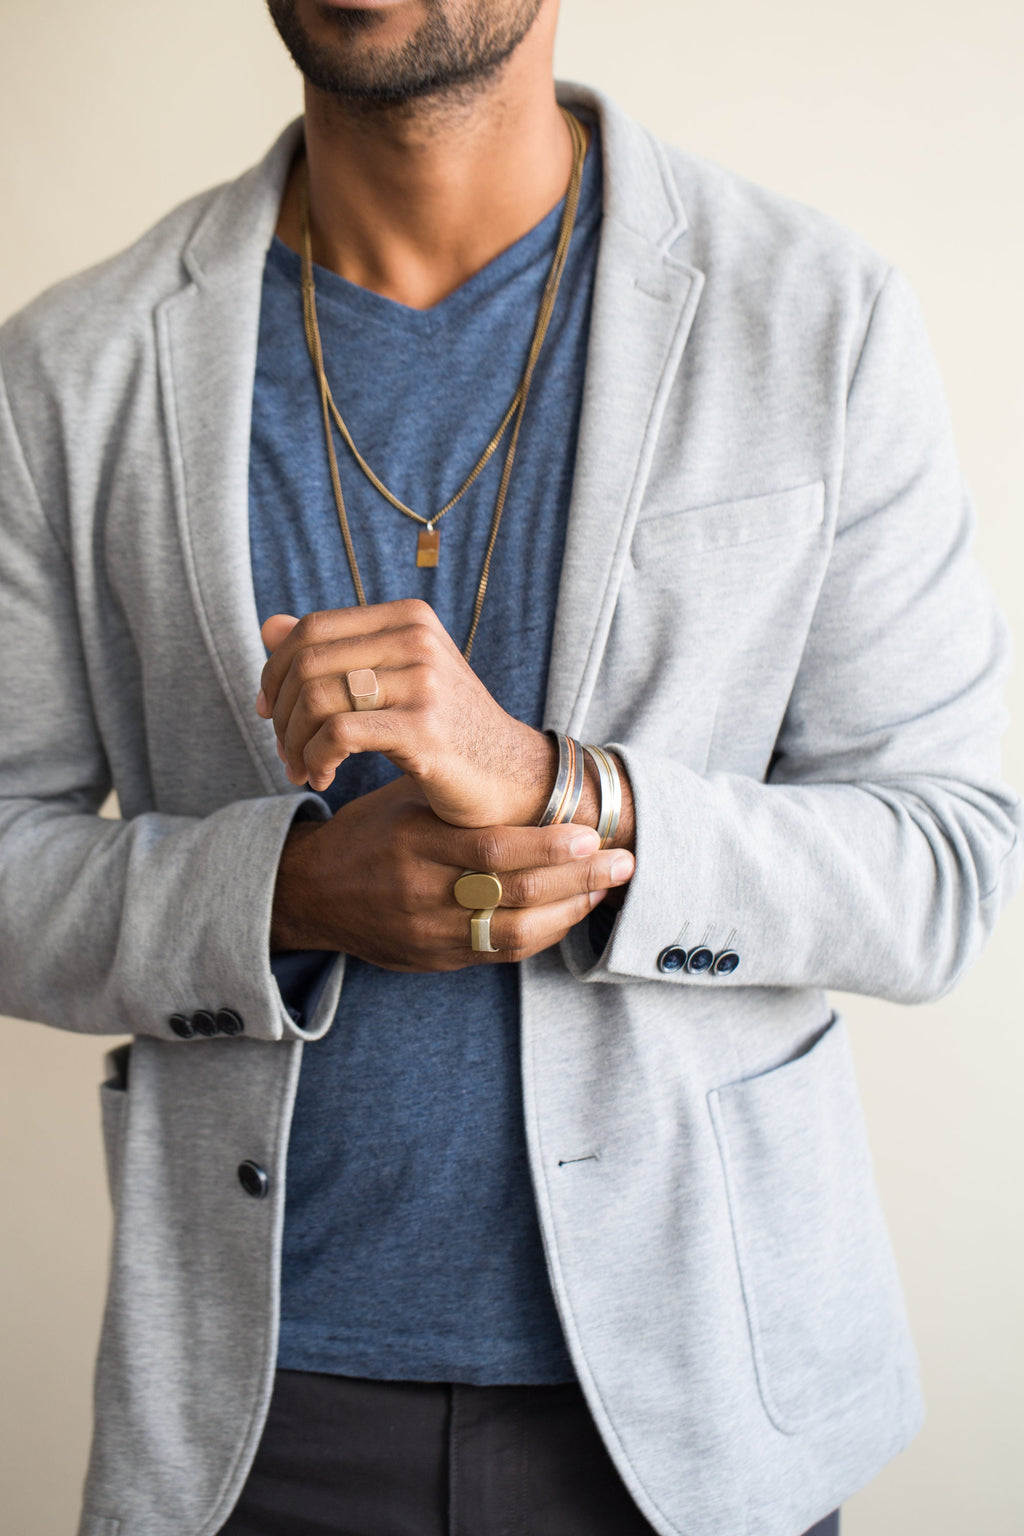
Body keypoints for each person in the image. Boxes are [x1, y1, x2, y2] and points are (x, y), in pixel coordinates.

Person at [0, 0, 1019, 1533]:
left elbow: (947, 861)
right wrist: (279, 893)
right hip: (252, 1419)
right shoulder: (75, 367)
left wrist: (569, 790)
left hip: (698, 1408)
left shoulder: (813, 314)